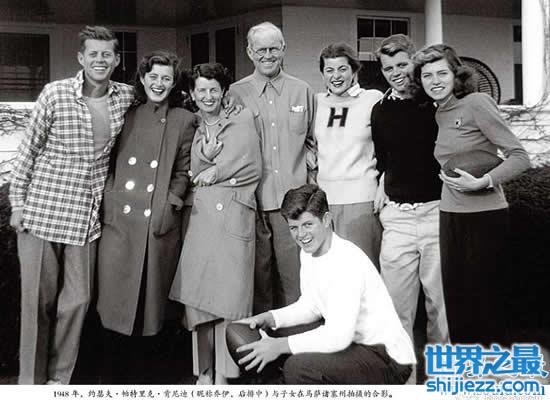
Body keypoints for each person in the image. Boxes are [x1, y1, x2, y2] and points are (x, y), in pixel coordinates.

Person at [8, 26, 134, 384]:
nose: (100, 60)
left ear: (116, 60)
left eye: (107, 54)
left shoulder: (125, 97)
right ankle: (31, 384)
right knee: (38, 304)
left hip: (85, 219)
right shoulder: (55, 93)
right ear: (81, 58)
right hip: (42, 213)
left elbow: (163, 96)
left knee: (78, 302)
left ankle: (59, 380)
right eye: (93, 54)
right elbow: (27, 152)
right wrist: (17, 204)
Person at [233, 184, 416, 384]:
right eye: (294, 228)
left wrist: (279, 346)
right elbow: (311, 306)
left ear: (326, 219)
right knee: (274, 333)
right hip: (355, 344)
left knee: (297, 367)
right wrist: (270, 318)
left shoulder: (346, 261)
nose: (301, 235)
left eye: (308, 224)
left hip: (388, 358)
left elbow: (338, 336)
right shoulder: (309, 253)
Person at [413, 44, 530, 345]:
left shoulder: (477, 103)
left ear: (457, 75)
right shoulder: (439, 113)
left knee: (486, 303)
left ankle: (492, 369)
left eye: (442, 73)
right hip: (450, 215)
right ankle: (467, 368)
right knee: (458, 302)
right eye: (427, 75)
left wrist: (484, 182)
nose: (435, 81)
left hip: (485, 216)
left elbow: (520, 157)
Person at [95, 51, 196, 382]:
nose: (159, 83)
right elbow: (106, 160)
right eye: (153, 76)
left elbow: (183, 170)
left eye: (166, 78)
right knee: (114, 301)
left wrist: (171, 203)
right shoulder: (126, 114)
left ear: (174, 83)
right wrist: (110, 199)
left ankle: (149, 378)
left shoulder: (184, 119)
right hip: (120, 221)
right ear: (142, 78)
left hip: (157, 222)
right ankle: (113, 377)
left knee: (152, 306)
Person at [169, 63, 262, 385]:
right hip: (200, 219)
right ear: (192, 94)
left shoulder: (242, 118)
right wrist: (206, 163)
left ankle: (225, 373)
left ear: (224, 92)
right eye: (201, 90)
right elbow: (188, 169)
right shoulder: (192, 124)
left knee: (229, 299)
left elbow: (251, 166)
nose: (208, 96)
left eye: (214, 89)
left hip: (234, 215)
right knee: (199, 300)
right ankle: (204, 372)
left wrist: (215, 171)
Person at [229, 22, 316, 314]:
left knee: (296, 281)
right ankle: (262, 338)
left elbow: (313, 143)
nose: (267, 55)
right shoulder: (235, 94)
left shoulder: (302, 91)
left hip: (294, 206)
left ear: (283, 49)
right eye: (261, 50)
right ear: (249, 52)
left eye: (273, 49)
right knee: (258, 282)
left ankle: (300, 337)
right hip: (251, 203)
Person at [371, 35, 448, 359]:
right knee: (395, 307)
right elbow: (384, 159)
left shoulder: (434, 104)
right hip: (397, 218)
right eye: (388, 68)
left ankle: (444, 376)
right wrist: (382, 183)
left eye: (402, 65)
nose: (396, 73)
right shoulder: (380, 110)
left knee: (440, 306)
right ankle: (404, 378)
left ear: (413, 62)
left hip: (436, 213)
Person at [314, 42, 383, 268]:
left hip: (361, 198)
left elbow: (390, 145)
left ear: (354, 71)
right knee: (331, 269)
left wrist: (385, 182)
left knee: (363, 268)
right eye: (329, 70)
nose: (336, 76)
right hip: (325, 201)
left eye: (342, 69)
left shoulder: (372, 99)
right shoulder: (316, 102)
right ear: (323, 74)